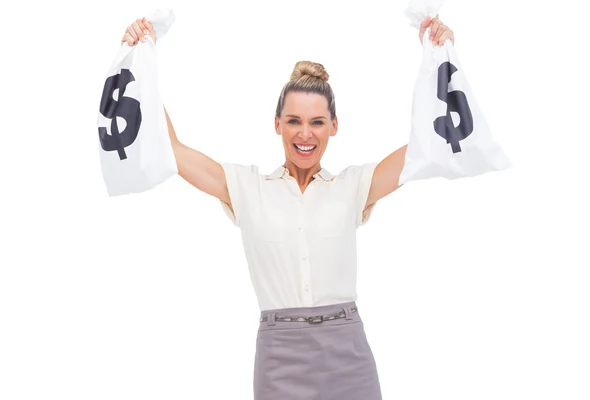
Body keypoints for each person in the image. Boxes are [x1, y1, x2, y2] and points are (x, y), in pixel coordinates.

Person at [120, 14, 455, 400]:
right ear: (277, 124)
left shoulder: (353, 187)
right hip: (280, 355)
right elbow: (173, 151)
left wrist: (435, 58)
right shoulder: (247, 188)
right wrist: (141, 60)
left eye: (317, 122)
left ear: (333, 126)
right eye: (294, 120)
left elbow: (427, 145)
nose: (305, 133)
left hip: (348, 352)